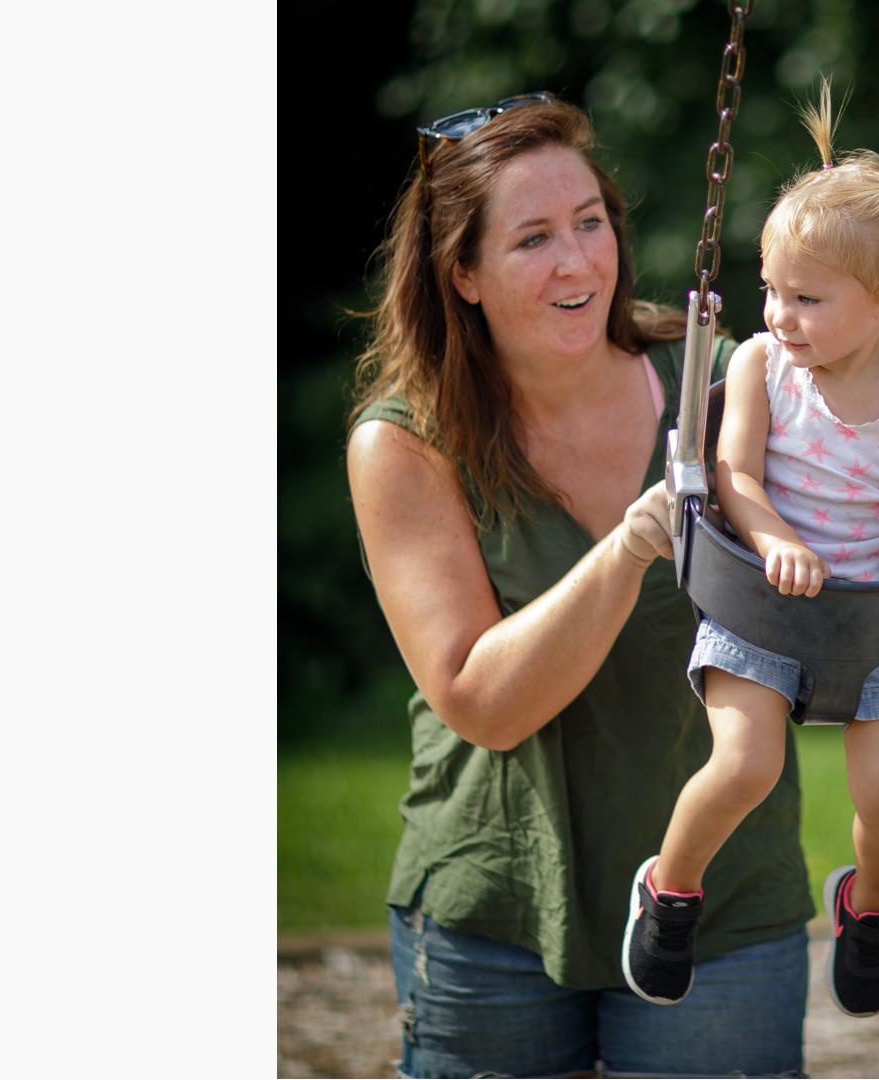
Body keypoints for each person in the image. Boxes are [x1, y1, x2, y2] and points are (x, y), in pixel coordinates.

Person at [345, 92, 815, 1078]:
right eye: (533, 239)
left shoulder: (723, 387)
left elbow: (859, 504)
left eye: (590, 222)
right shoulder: (405, 444)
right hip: (498, 907)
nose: (577, 262)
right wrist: (636, 541)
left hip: (717, 902)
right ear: (462, 273)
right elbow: (482, 698)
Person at [622, 81, 879, 1019]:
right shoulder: (758, 365)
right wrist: (774, 540)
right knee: (745, 766)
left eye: (806, 298)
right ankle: (672, 890)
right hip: (761, 603)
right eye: (770, 289)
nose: (778, 313)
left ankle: (869, 910)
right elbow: (731, 476)